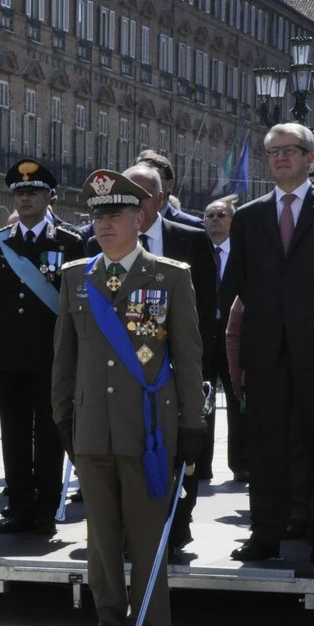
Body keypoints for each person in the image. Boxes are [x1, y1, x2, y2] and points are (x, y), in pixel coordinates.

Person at [53, 170, 206, 626]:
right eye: (98, 216)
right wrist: (63, 418)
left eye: (115, 215)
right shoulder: (78, 276)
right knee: (100, 542)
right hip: (93, 426)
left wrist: (192, 425)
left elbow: (187, 355)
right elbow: (65, 358)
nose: (104, 225)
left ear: (139, 219)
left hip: (150, 432)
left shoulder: (170, 275)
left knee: (147, 540)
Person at [222, 123, 314, 567]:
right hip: (266, 352)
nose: (281, 158)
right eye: (273, 152)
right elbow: (237, 284)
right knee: (265, 448)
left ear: (310, 157)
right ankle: (265, 532)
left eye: (290, 150)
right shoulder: (248, 217)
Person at [118, 161, 219, 555]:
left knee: (182, 446)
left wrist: (198, 364)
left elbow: (209, 303)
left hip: (176, 368)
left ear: (160, 199)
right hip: (125, 369)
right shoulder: (99, 242)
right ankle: (132, 526)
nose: (136, 205)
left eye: (143, 196)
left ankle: (179, 522)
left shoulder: (191, 240)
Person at [0, 159, 85, 535]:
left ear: (49, 197)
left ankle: (46, 505)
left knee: (50, 432)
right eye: (19, 193)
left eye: (33, 192)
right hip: (9, 358)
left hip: (52, 358)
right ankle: (19, 504)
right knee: (13, 433)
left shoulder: (70, 242)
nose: (25, 199)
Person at [202, 195, 244, 483]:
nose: (215, 219)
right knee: (201, 399)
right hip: (203, 334)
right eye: (209, 215)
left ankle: (241, 463)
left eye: (221, 215)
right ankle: (200, 464)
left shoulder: (244, 252)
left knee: (237, 397)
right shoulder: (197, 250)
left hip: (233, 335)